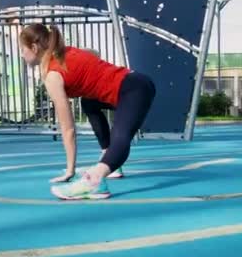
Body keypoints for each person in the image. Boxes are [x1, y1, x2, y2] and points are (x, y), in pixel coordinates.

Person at [19, 24, 156, 200]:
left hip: (133, 91)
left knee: (121, 137)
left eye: (22, 49)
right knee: (89, 102)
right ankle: (107, 155)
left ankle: (95, 180)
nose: (22, 54)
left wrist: (70, 170)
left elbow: (68, 130)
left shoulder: (53, 76)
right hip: (135, 83)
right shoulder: (66, 52)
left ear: (34, 48)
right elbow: (93, 53)